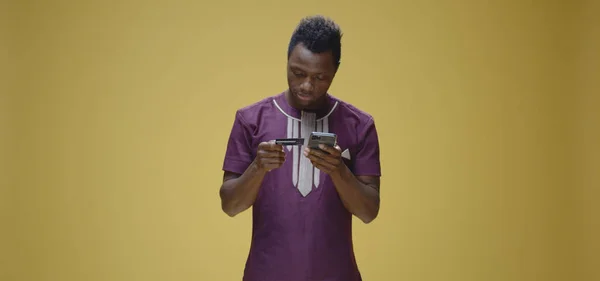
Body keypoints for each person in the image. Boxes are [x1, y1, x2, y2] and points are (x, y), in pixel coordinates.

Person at [219, 15, 382, 281]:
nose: (307, 85)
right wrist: (257, 169)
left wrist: (339, 170)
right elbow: (230, 205)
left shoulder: (359, 126)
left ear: (335, 71)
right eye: (298, 73)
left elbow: (368, 212)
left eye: (320, 77)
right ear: (286, 62)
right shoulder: (250, 120)